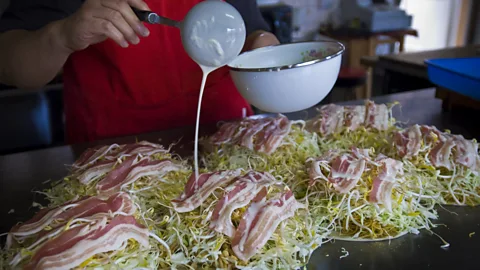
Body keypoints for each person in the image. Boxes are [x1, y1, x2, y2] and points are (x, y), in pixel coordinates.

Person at [0, 0, 280, 144]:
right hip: (112, 156)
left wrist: (265, 46)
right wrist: (61, 36)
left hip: (225, 138)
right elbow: (8, 63)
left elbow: (251, 29)